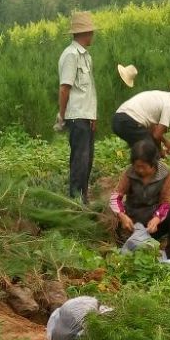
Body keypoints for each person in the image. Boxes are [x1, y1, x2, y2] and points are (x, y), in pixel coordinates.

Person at [109, 139, 170, 261]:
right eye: (137, 166)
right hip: (131, 225)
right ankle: (125, 245)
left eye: (143, 167)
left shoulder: (164, 174)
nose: (140, 170)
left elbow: (166, 201)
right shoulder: (129, 173)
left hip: (152, 225)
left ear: (153, 163)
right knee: (112, 218)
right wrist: (122, 215)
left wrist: (157, 218)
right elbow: (115, 197)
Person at [57, 11, 97, 204]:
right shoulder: (71, 55)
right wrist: (62, 116)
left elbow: (88, 92)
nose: (93, 35)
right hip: (76, 116)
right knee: (79, 162)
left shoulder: (86, 57)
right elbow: (65, 88)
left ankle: (83, 200)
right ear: (85, 32)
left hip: (86, 116)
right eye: (91, 31)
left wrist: (93, 117)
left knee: (87, 161)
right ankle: (75, 203)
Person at [111, 83, 170, 156]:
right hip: (129, 121)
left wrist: (162, 146)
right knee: (150, 153)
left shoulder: (162, 96)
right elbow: (156, 135)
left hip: (118, 119)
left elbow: (153, 129)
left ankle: (136, 171)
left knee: (140, 152)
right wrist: (162, 147)